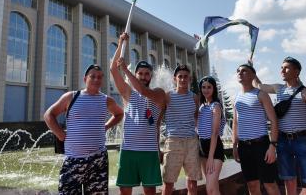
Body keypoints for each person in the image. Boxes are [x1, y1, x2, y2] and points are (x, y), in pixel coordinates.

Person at [44, 64, 124, 195]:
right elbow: (49, 115)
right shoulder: (71, 97)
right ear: (85, 79)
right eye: (92, 77)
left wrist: (106, 127)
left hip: (98, 160)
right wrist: (60, 135)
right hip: (74, 160)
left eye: (99, 77)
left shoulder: (106, 100)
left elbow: (119, 114)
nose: (96, 80)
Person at [254, 57, 306, 195]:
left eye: (286, 68)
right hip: (282, 141)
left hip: (301, 141)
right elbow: (258, 85)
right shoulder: (278, 89)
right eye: (281, 67)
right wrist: (252, 70)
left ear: (296, 71)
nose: (282, 70)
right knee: (289, 181)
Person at [110, 32, 165, 195]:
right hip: (128, 150)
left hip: (149, 152)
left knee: (150, 191)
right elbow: (113, 69)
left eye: (146, 73)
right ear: (136, 74)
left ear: (151, 76)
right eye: (140, 73)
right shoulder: (128, 93)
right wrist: (120, 44)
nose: (143, 76)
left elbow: (142, 90)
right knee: (125, 191)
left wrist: (126, 70)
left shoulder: (159, 93)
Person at [232, 64, 280, 195]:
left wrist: (272, 146)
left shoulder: (261, 94)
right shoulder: (236, 98)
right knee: (252, 185)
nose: (240, 73)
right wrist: (235, 145)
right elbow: (235, 123)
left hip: (261, 145)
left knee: (269, 183)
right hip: (244, 147)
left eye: (244, 71)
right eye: (238, 71)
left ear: (253, 75)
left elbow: (274, 121)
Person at [162, 64, 201, 195]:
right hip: (173, 142)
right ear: (175, 79)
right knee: (168, 184)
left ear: (189, 79)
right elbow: (158, 117)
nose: (183, 79)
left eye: (186, 77)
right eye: (180, 77)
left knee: (192, 182)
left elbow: (197, 118)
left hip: (191, 142)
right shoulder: (168, 96)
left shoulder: (195, 97)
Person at [197, 76, 226, 195]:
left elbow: (214, 133)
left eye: (209, 87)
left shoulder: (216, 106)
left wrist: (210, 156)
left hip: (213, 149)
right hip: (202, 147)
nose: (206, 90)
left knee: (210, 188)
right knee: (213, 188)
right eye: (203, 87)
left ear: (214, 89)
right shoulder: (202, 106)